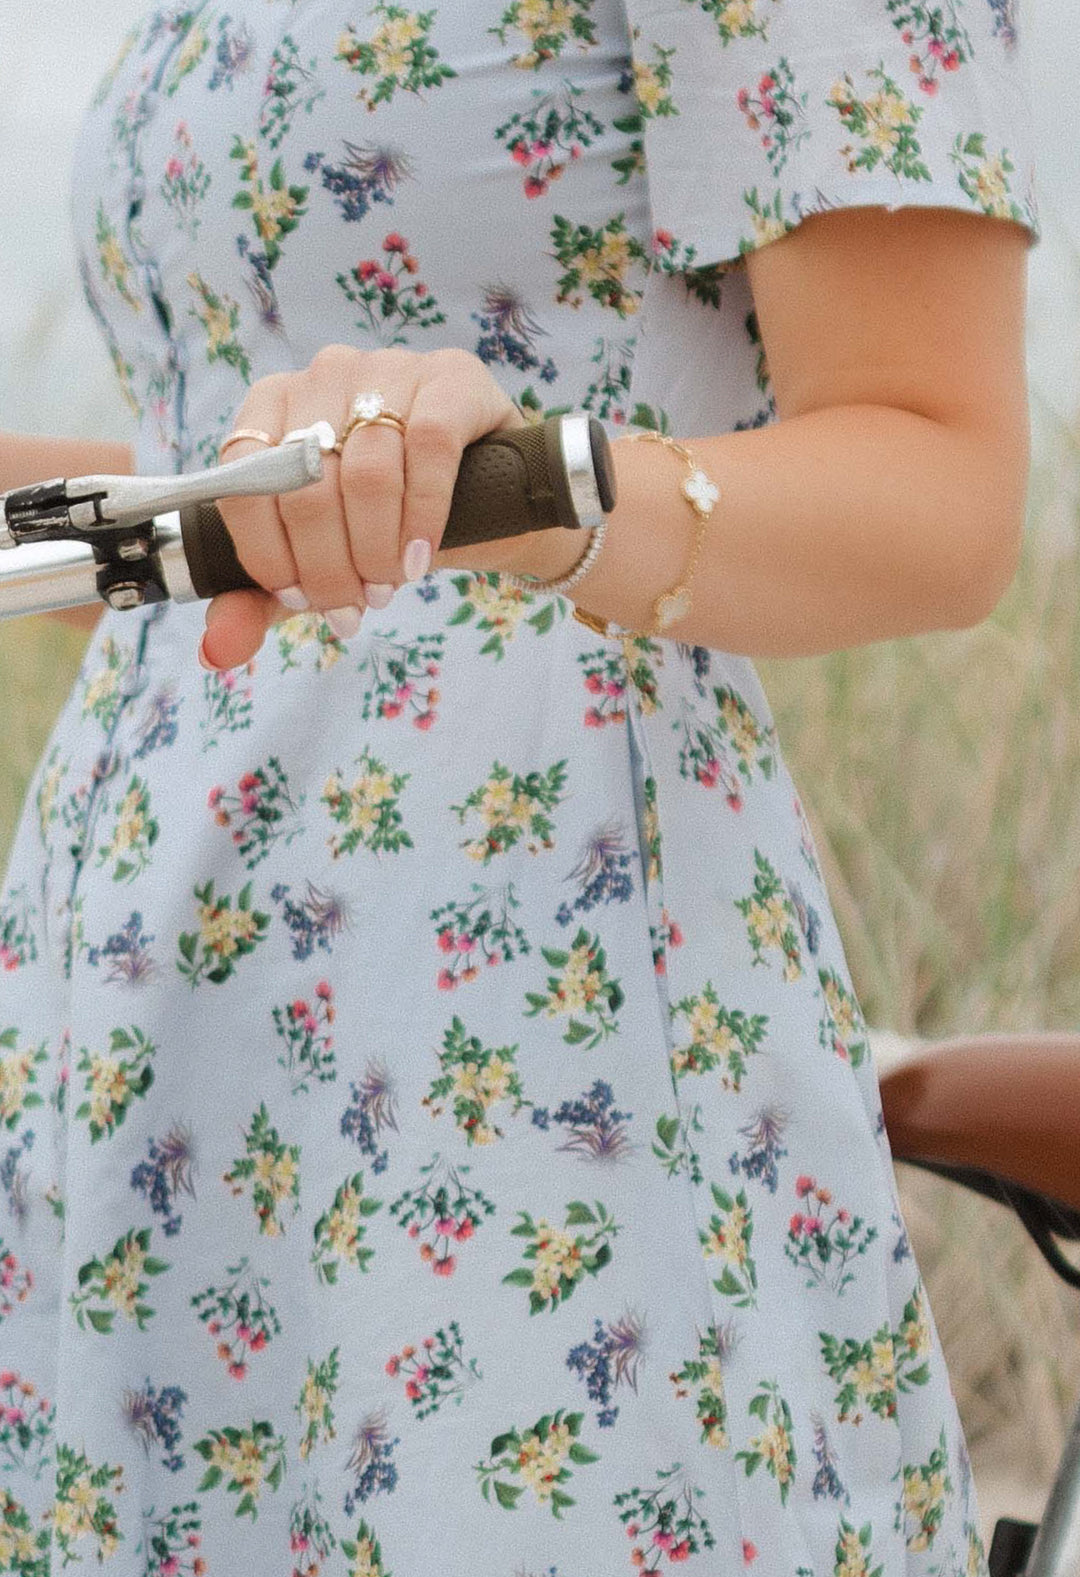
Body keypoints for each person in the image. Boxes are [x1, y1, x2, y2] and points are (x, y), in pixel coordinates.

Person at [0, 1, 1039, 1573]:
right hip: (154, 1034)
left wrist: (533, 490)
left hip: (516, 1010)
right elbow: (249, 503)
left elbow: (939, 481)